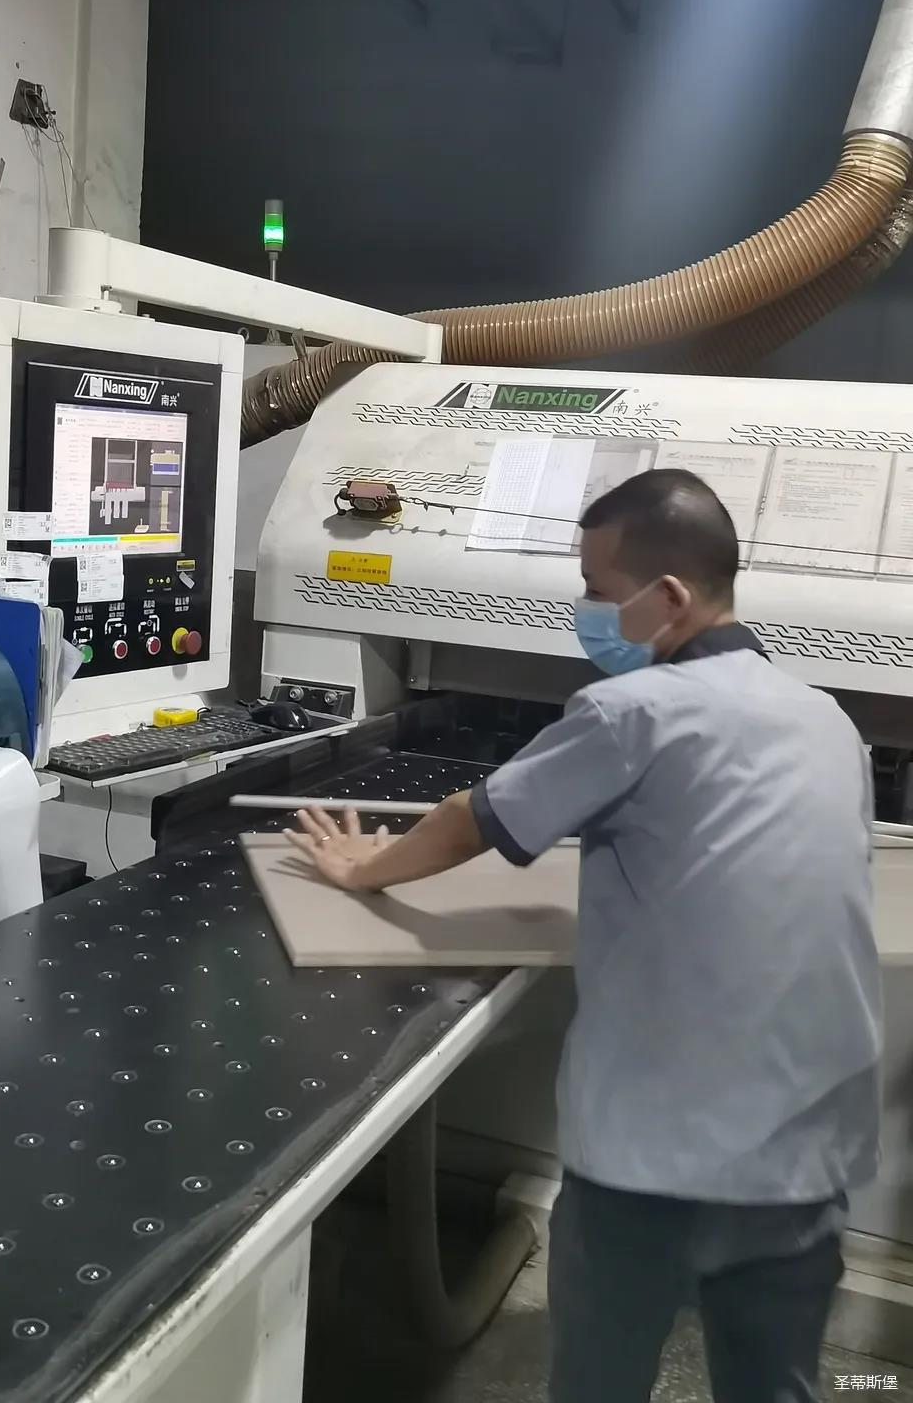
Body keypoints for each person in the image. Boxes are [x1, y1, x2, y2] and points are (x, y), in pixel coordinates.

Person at [286, 469, 881, 1403]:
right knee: (774, 1386)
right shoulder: (828, 720)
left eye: (599, 591)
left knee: (600, 1380)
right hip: (809, 1149)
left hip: (657, 1158)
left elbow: (472, 819)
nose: (586, 611)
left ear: (669, 598)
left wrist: (363, 869)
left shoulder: (630, 710)